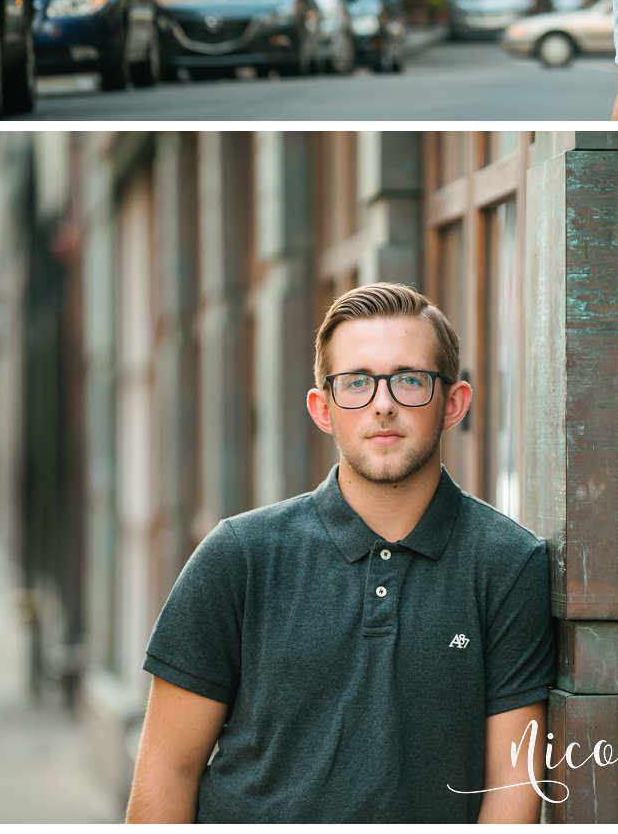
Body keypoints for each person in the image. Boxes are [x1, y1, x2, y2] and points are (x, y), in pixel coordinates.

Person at [126, 284, 554, 823]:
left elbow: (513, 790)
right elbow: (168, 769)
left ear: (454, 403)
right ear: (323, 409)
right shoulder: (239, 557)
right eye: (356, 383)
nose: (383, 404)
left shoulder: (508, 566)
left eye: (409, 380)